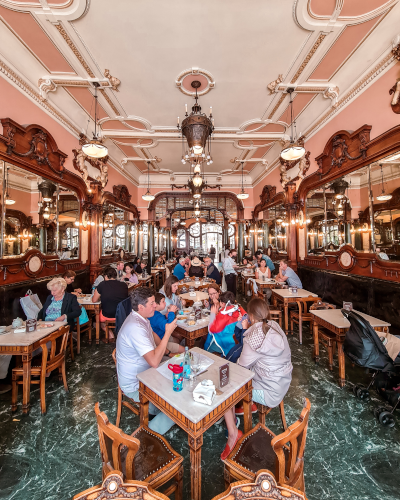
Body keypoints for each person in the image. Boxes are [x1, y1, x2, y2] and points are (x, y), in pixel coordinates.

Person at [221, 297, 292, 460]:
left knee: (225, 387)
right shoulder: (275, 326)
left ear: (251, 316)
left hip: (267, 391)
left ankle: (233, 434)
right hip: (282, 382)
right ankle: (246, 406)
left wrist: (244, 330)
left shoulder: (253, 337)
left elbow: (240, 369)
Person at [116, 287, 178, 435]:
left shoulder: (141, 318)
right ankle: (148, 433)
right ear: (140, 307)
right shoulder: (135, 327)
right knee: (177, 405)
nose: (155, 305)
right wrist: (168, 333)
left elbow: (153, 335)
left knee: (179, 372)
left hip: (147, 373)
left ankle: (158, 411)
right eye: (152, 303)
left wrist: (169, 353)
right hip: (136, 385)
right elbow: (155, 362)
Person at [92, 266, 129, 341]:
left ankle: (110, 335)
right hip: (123, 313)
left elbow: (94, 300)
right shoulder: (124, 285)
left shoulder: (102, 284)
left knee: (97, 320)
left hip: (108, 314)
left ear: (105, 276)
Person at [204, 291, 246, 356]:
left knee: (207, 349)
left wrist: (212, 315)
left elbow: (212, 329)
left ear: (223, 304)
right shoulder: (240, 308)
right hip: (239, 341)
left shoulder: (223, 314)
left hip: (227, 343)